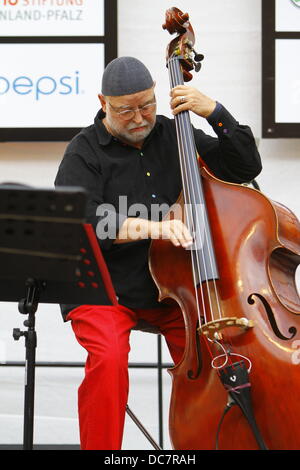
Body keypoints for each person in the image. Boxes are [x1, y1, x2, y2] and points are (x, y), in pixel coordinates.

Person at [54, 56, 262, 450]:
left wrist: (215, 112)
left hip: (177, 289)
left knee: (216, 359)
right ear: (103, 102)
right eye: (126, 109)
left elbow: (245, 166)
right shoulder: (83, 152)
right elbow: (83, 221)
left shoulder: (175, 135)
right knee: (109, 359)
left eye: (147, 105)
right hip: (107, 288)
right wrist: (154, 227)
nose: (139, 117)